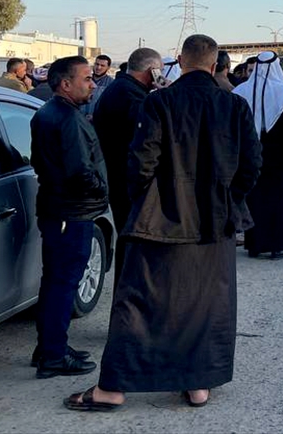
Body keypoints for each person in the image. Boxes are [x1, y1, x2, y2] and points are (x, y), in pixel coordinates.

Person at [67, 35, 261, 412]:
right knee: (206, 303)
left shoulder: (159, 102)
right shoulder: (234, 106)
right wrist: (226, 199)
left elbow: (141, 162)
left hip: (161, 219)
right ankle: (197, 384)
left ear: (182, 63)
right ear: (212, 64)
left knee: (139, 301)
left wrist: (149, 199)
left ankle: (115, 388)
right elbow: (251, 165)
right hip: (213, 222)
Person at [30, 56, 108, 378]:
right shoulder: (67, 119)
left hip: (58, 209)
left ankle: (50, 346)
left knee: (54, 283)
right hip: (71, 213)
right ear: (65, 83)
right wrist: (102, 190)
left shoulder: (47, 113)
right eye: (87, 79)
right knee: (63, 285)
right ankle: (53, 357)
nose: (92, 84)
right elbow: (80, 172)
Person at [91, 47, 162, 283]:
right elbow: (145, 135)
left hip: (120, 177)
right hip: (125, 181)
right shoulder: (129, 94)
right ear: (152, 70)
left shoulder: (125, 89)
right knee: (133, 246)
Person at [234, 51, 283, 259]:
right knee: (277, 201)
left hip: (249, 154)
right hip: (277, 157)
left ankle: (254, 244)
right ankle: (276, 245)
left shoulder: (240, 91)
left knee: (254, 200)